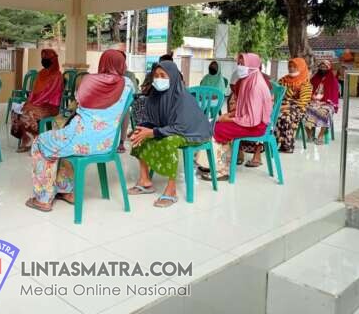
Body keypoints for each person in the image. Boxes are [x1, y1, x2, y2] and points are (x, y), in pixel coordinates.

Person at [25, 50, 134, 212]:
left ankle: (43, 199)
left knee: (41, 143)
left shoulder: (90, 81)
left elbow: (78, 100)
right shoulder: (128, 85)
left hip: (80, 139)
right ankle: (65, 190)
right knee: (62, 145)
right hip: (108, 143)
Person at [128, 61, 212, 207]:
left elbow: (180, 127)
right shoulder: (155, 96)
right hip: (171, 129)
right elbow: (151, 119)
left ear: (172, 77)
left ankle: (171, 189)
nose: (158, 79)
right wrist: (142, 128)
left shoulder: (182, 97)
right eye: (156, 76)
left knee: (170, 140)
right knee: (141, 136)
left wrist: (153, 132)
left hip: (192, 132)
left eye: (163, 76)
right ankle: (145, 180)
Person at [207, 53, 272, 181]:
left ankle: (222, 170)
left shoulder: (255, 86)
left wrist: (228, 119)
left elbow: (252, 119)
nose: (240, 67)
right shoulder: (249, 80)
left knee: (217, 129)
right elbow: (244, 108)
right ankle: (213, 164)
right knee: (215, 124)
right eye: (239, 64)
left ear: (252, 65)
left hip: (256, 126)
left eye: (243, 64)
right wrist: (229, 114)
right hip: (250, 121)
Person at [12, 49, 63, 152]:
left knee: (29, 112)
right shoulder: (41, 74)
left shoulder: (57, 76)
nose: (44, 61)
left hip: (50, 106)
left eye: (47, 59)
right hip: (38, 104)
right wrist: (28, 102)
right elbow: (33, 91)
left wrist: (33, 104)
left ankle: (31, 141)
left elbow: (47, 94)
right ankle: (24, 137)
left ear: (53, 60)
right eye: (43, 58)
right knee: (17, 110)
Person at [275, 58, 312, 154]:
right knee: (274, 116)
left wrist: (287, 104)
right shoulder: (283, 80)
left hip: (299, 108)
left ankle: (287, 145)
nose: (291, 68)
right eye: (290, 66)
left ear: (301, 67)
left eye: (294, 67)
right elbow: (277, 94)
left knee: (286, 117)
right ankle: (274, 143)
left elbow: (303, 102)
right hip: (282, 106)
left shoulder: (305, 82)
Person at [305, 60, 339, 144]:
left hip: (327, 103)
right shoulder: (314, 79)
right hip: (313, 102)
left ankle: (320, 136)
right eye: (321, 67)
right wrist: (312, 98)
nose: (323, 68)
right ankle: (309, 135)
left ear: (329, 68)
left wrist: (325, 102)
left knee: (324, 112)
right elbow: (308, 91)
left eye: (325, 67)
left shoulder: (333, 80)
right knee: (305, 111)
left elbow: (334, 95)